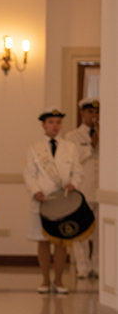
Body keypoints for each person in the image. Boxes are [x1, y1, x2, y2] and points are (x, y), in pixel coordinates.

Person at [23, 108, 83, 294]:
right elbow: (29, 174)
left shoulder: (70, 147)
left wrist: (74, 184)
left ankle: (59, 280)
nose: (55, 126)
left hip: (64, 203)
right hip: (43, 201)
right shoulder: (35, 148)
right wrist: (36, 191)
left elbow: (78, 171)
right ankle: (45, 280)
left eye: (58, 122)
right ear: (43, 125)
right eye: (51, 122)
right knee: (43, 241)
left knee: (61, 241)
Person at [64, 98, 99, 278]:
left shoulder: (106, 133)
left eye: (96, 112)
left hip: (101, 192)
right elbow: (75, 160)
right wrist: (92, 145)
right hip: (83, 189)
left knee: (101, 232)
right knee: (82, 231)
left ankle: (99, 267)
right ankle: (83, 268)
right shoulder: (73, 136)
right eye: (90, 112)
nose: (94, 116)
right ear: (82, 113)